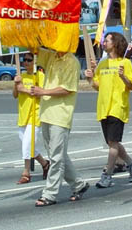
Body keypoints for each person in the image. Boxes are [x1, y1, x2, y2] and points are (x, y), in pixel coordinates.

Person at [31, 48, 89, 206]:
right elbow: (33, 48)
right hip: (46, 113)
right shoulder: (51, 56)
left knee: (56, 157)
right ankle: (79, 184)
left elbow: (67, 89)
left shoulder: (72, 62)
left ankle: (49, 194)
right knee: (56, 155)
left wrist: (43, 91)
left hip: (60, 115)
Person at [85, 31, 132, 188]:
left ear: (115, 43)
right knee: (112, 143)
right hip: (103, 107)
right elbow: (97, 86)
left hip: (118, 106)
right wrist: (90, 78)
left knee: (113, 143)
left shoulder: (125, 63)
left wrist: (123, 76)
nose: (104, 43)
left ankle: (107, 175)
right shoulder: (102, 64)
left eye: (107, 40)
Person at [12, 53, 49, 185]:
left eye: (29, 60)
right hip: (23, 114)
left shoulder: (40, 76)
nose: (26, 62)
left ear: (35, 61)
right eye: (24, 60)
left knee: (27, 143)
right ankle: (45, 164)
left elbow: (42, 93)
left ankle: (26, 173)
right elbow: (15, 95)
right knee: (27, 145)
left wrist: (24, 89)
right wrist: (16, 84)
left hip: (35, 114)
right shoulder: (21, 76)